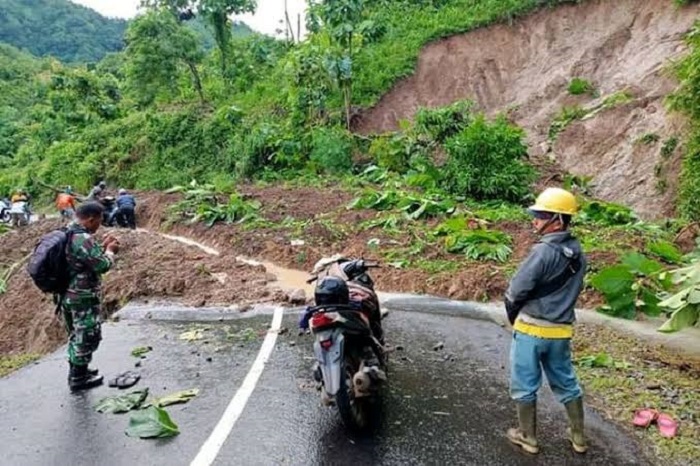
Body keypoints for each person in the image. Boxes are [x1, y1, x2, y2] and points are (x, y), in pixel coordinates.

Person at [504, 187, 588, 455]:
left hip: (531, 329)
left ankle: (528, 437)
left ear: (558, 219)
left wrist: (511, 315)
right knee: (566, 382)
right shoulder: (577, 252)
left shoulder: (542, 252)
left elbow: (516, 290)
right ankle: (578, 437)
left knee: (525, 384)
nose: (535, 220)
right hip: (561, 332)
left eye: (541, 215)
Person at [62, 202, 119, 391]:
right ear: (91, 219)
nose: (100, 224)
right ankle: (78, 378)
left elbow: (82, 260)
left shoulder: (67, 232)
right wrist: (110, 251)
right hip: (82, 296)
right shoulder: (82, 238)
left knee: (76, 333)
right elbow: (102, 266)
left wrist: (100, 249)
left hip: (67, 293)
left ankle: (79, 370)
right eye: (100, 220)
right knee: (87, 335)